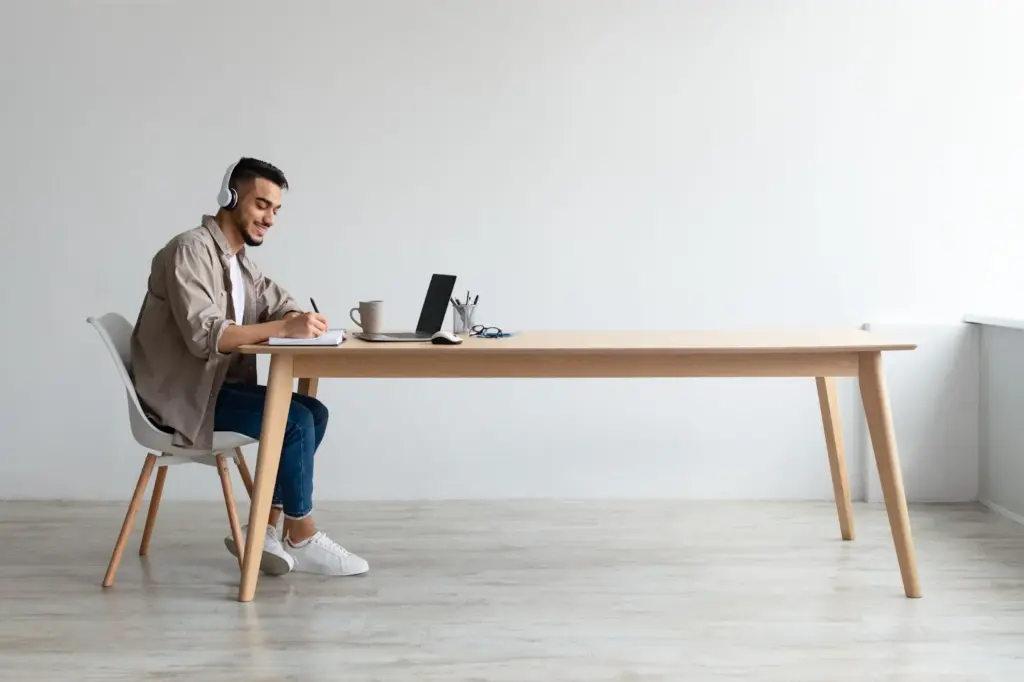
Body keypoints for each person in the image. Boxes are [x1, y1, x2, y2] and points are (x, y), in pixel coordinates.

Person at [129, 157, 368, 577]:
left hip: (215, 388)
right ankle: (301, 534)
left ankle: (267, 528)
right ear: (230, 196)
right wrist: (284, 327)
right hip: (185, 397)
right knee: (294, 422)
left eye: (276, 210)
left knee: (313, 412)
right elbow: (207, 335)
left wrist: (297, 317)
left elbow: (278, 301)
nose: (269, 218)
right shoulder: (190, 250)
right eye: (261, 205)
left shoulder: (240, 264)